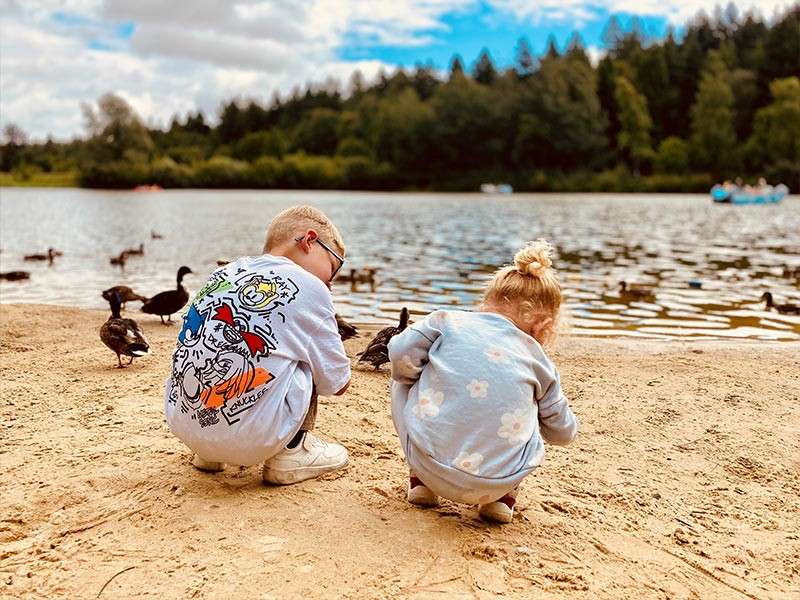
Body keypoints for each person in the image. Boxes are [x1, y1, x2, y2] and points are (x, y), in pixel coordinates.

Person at [387, 240, 578, 523]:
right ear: (544, 325)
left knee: (402, 378)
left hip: (430, 465)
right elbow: (563, 434)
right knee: (531, 409)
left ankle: (421, 483)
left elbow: (398, 352)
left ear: (487, 301)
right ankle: (503, 499)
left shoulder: (445, 320)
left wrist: (425, 378)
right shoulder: (539, 360)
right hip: (497, 481)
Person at [164, 205, 351, 485]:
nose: (330, 282)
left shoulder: (222, 273)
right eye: (333, 267)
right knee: (307, 355)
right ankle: (291, 451)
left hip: (183, 425)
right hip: (250, 440)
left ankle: (209, 454)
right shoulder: (311, 287)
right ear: (310, 240)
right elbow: (337, 384)